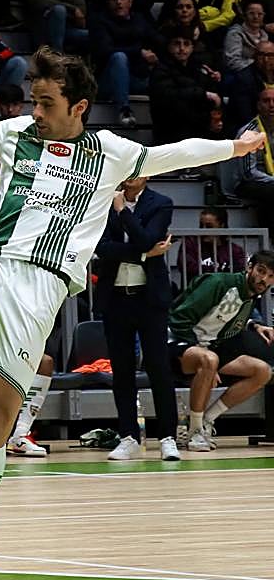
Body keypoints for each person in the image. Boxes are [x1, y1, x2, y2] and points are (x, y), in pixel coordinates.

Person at [0, 8, 265, 580]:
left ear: (77, 107)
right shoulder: (16, 135)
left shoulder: (112, 152)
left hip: (35, 291)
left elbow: (178, 152)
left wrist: (235, 149)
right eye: (31, 101)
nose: (33, 112)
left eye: (44, 104)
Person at [95, 177, 181, 462]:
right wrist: (146, 253)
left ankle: (168, 437)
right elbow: (103, 248)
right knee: (122, 371)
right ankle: (128, 436)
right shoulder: (103, 200)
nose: (132, 174)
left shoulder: (160, 203)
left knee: (159, 368)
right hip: (116, 297)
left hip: (150, 298)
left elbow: (146, 237)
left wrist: (123, 212)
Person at [168, 250, 274, 451]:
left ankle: (207, 420)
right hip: (176, 339)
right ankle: (194, 431)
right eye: (261, 271)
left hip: (211, 346)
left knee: (263, 371)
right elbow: (179, 318)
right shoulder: (217, 283)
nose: (264, 279)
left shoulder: (251, 295)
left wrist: (254, 325)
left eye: (270, 276)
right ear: (249, 267)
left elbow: (225, 315)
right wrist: (201, 352)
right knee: (209, 360)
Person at [90, 0, 161, 127]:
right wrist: (139, 52)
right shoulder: (100, 22)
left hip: (137, 78)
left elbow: (158, 40)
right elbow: (105, 50)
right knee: (119, 57)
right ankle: (124, 110)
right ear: (108, 3)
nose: (118, 2)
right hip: (107, 80)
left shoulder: (139, 20)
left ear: (130, 2)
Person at [234, 85, 274, 212]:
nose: (271, 105)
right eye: (266, 101)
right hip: (247, 183)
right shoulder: (248, 132)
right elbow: (248, 173)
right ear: (258, 106)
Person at [181, 206, 249, 279]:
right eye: (201, 226)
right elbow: (188, 268)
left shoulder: (235, 250)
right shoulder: (190, 244)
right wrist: (222, 270)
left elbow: (241, 272)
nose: (203, 231)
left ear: (222, 226)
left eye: (209, 226)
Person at [223, 0, 268, 75]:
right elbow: (233, 62)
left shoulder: (264, 35)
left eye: (260, 14)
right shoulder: (235, 34)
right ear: (244, 15)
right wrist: (259, 65)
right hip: (240, 77)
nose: (256, 17)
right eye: (251, 13)